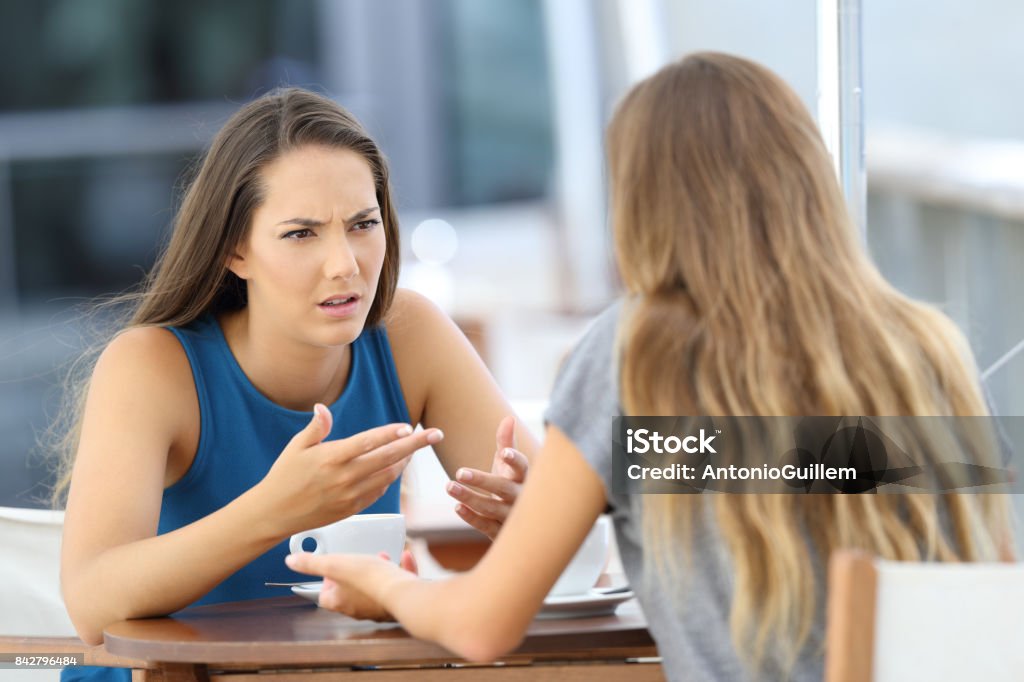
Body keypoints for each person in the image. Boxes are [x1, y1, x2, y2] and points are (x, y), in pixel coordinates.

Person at [286, 52, 1016, 681]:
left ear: (643, 201)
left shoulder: (639, 356)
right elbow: (987, 590)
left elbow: (484, 626)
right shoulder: (924, 348)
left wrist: (388, 588)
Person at [54, 88, 538, 682]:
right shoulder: (151, 365)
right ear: (236, 250)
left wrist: (535, 527)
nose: (345, 264)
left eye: (363, 224)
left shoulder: (412, 335)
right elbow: (89, 605)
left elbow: (579, 544)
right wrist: (276, 509)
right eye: (301, 234)